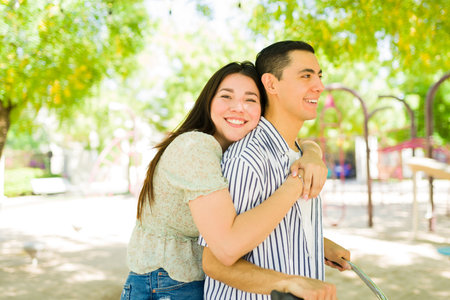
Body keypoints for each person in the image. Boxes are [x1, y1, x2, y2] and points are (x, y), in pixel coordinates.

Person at [120, 61, 328, 299]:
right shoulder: (195, 147)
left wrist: (312, 153)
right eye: (226, 96)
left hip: (192, 283)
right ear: (208, 101)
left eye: (250, 100)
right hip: (167, 284)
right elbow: (228, 248)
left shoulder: (236, 153)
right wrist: (297, 181)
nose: (238, 107)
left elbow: (300, 143)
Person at [200, 41, 350, 300]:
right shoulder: (248, 159)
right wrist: (290, 282)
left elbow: (269, 232)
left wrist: (318, 245)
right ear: (271, 84)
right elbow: (214, 261)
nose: (319, 86)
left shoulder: (300, 155)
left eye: (319, 76)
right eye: (306, 76)